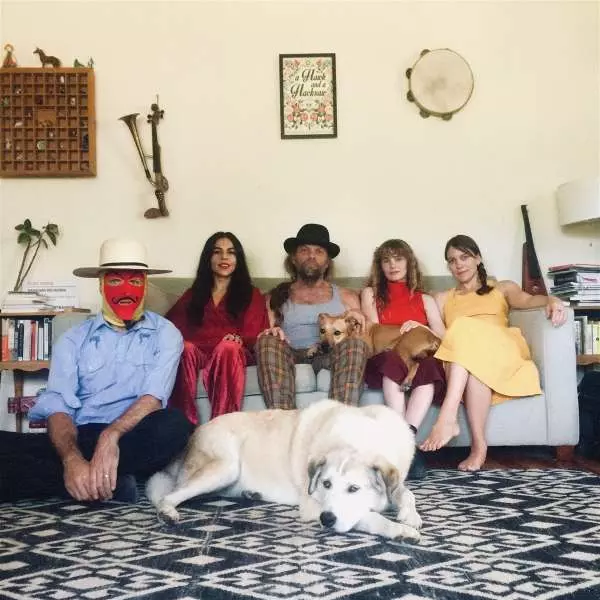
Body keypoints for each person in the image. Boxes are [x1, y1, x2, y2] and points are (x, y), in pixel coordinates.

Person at [0, 238, 192, 503]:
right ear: (101, 284)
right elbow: (58, 405)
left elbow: (153, 399)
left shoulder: (166, 334)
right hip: (80, 435)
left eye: (135, 281)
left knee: (175, 426)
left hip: (132, 436)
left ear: (146, 285)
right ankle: (109, 482)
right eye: (115, 281)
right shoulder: (73, 337)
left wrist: (110, 436)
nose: (126, 290)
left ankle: (78, 482)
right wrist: (71, 459)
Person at [420, 234, 568, 471]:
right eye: (452, 260)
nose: (459, 264)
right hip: (466, 358)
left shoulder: (502, 288)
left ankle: (447, 416)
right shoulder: (442, 298)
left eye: (464, 257)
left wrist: (551, 299)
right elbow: (441, 336)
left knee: (463, 327)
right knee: (474, 369)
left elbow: (530, 301)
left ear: (478, 258)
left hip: (502, 350)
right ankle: (479, 447)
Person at [256, 223, 368, 409]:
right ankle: (282, 419)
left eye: (319, 251)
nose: (311, 256)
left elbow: (363, 336)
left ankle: (340, 420)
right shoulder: (275, 296)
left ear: (327, 262)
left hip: (331, 354)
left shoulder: (346, 296)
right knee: (266, 341)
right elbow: (267, 330)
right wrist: (272, 331)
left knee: (356, 344)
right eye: (304, 250)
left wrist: (357, 316)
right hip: (290, 354)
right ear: (293, 258)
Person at [360, 239, 446, 478]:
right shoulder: (370, 294)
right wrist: (402, 335)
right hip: (385, 357)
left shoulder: (425, 299)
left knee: (429, 365)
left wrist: (420, 326)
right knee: (392, 360)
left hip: (419, 357)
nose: (392, 265)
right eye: (386, 260)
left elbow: (442, 335)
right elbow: (374, 332)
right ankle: (407, 445)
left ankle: (403, 441)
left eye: (398, 259)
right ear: (380, 266)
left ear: (409, 263)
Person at [166, 232, 269, 424]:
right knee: (184, 348)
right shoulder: (193, 294)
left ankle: (222, 424)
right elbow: (170, 328)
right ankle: (182, 424)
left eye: (231, 252)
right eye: (217, 252)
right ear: (208, 258)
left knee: (227, 347)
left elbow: (255, 334)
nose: (224, 257)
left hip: (233, 353)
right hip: (200, 353)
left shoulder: (251, 293)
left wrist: (239, 339)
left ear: (238, 259)